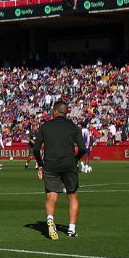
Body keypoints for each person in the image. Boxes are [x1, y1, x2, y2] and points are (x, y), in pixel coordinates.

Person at [30, 101, 86, 239]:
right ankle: (71, 229)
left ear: (55, 111)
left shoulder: (45, 126)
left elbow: (36, 149)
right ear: (65, 112)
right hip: (69, 164)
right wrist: (76, 159)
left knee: (51, 196)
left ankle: (50, 218)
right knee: (72, 195)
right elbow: (83, 148)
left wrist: (40, 164)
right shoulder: (73, 127)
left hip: (50, 165)